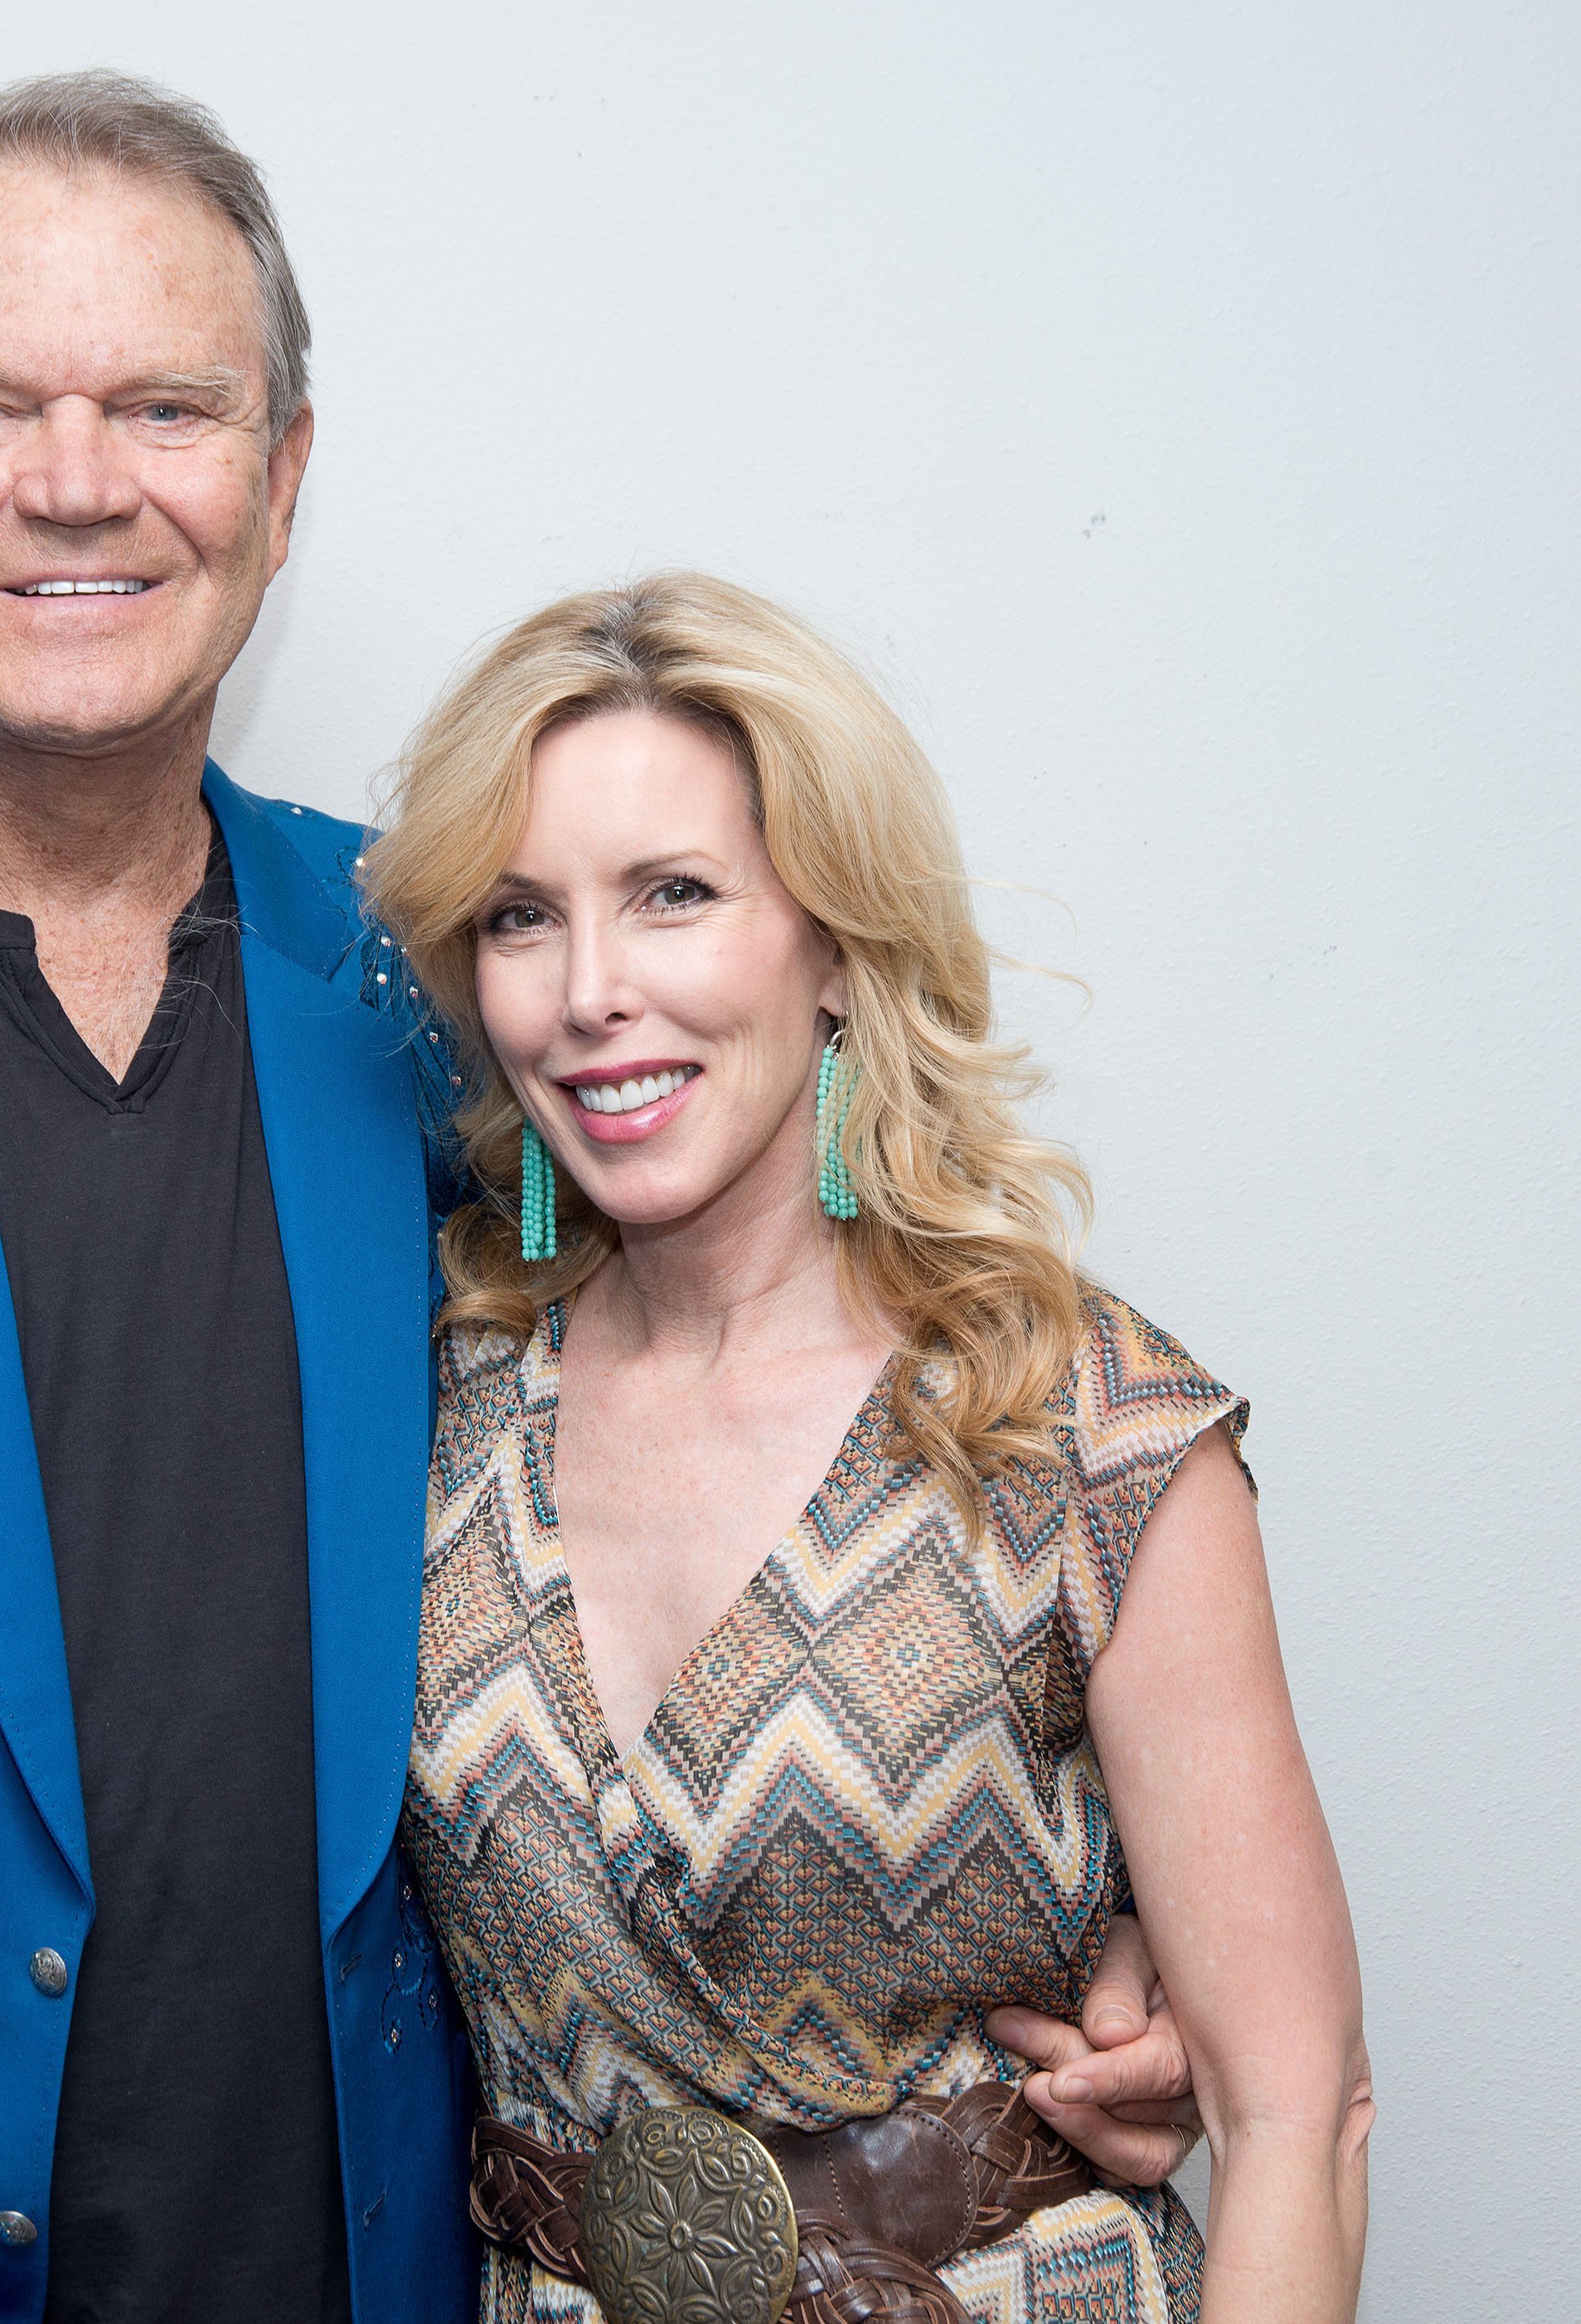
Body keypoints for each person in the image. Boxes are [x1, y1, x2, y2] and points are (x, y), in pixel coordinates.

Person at [0, 74, 1198, 2324]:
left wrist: (1102, 1913)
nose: (77, 482)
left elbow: (746, 1443)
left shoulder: (438, 967)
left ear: (278, 485)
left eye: (167, 406)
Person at [364, 573, 1372, 2324]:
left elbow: (1300, 2115)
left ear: (833, 940)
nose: (591, 991)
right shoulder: (430, 1404)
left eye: (673, 895)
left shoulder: (1083, 1426)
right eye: (524, 917)